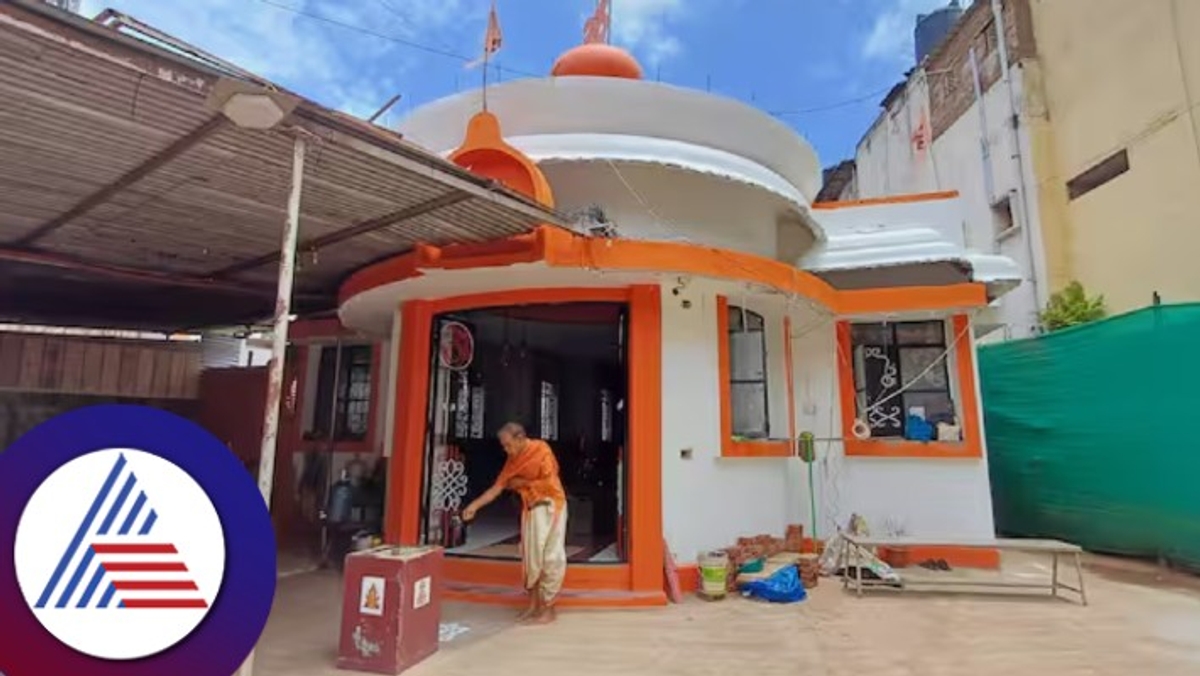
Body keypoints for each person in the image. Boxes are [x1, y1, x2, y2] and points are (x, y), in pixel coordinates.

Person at [462, 422, 567, 624]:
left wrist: (520, 483)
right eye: (504, 446)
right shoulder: (512, 460)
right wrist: (474, 506)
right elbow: (498, 487)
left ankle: (549, 608)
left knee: (551, 558)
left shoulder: (541, 449)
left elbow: (548, 480)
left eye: (508, 445)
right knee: (531, 559)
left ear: (520, 439)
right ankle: (533, 606)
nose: (506, 450)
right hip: (531, 510)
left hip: (552, 506)